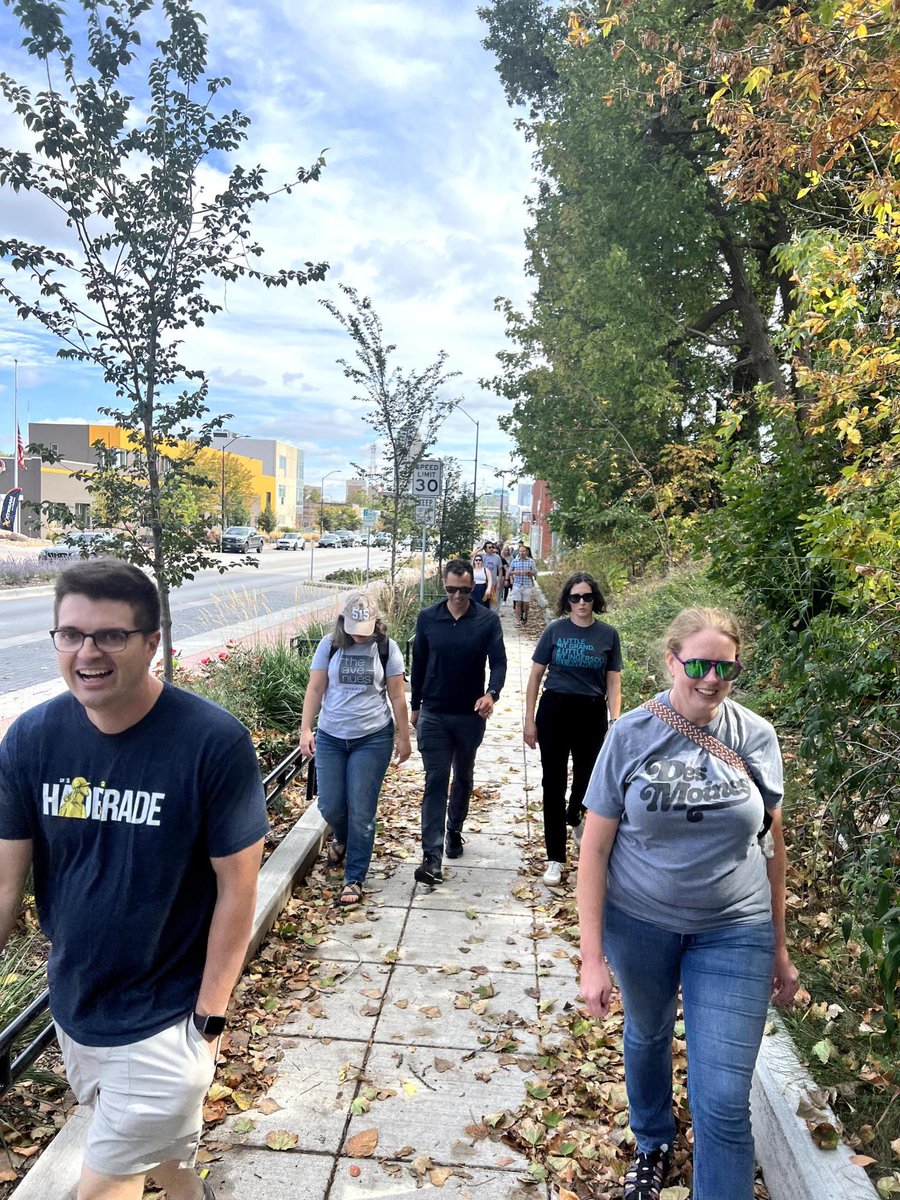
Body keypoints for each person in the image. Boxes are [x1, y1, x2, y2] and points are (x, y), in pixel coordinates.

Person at [0, 559, 269, 1200]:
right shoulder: (32, 739)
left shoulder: (211, 742)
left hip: (165, 1019)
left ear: (153, 643)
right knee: (165, 1157)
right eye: (71, 634)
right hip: (75, 1005)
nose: (86, 653)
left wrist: (208, 1020)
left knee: (103, 1185)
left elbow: (239, 887)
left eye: (110, 636)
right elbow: (6, 885)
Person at [576, 607, 799, 1200]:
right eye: (697, 664)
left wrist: (779, 947)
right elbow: (594, 851)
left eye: (726, 667)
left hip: (736, 927)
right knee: (648, 1034)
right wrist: (591, 956)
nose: (712, 678)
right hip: (640, 922)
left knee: (724, 1101)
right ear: (671, 661)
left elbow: (773, 849)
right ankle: (651, 1141)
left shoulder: (756, 736)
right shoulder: (630, 735)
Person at [300, 592, 410, 906]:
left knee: (362, 810)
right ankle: (344, 838)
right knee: (331, 806)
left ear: (376, 624)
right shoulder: (329, 645)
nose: (357, 633)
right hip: (332, 736)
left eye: (364, 627)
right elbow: (316, 687)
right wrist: (306, 728)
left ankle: (354, 877)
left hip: (372, 736)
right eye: (352, 626)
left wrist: (404, 738)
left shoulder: (387, 649)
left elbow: (398, 697)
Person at [410, 558, 507, 884]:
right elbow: (419, 663)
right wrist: (415, 707)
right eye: (451, 589)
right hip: (434, 713)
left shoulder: (486, 621)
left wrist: (491, 694)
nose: (457, 596)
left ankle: (454, 830)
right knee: (436, 781)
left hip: (469, 715)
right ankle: (432, 859)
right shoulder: (428, 619)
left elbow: (499, 663)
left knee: (462, 776)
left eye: (464, 590)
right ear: (444, 586)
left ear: (472, 587)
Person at [524, 572, 622, 885]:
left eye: (587, 597)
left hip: (591, 711)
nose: (581, 603)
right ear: (567, 600)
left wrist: (614, 719)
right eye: (575, 597)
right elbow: (535, 677)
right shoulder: (555, 630)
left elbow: (613, 680)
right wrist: (528, 719)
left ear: (596, 599)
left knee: (587, 779)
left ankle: (575, 814)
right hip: (554, 709)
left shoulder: (608, 634)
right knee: (552, 784)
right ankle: (555, 857)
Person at [508, 543, 537, 624]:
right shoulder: (515, 561)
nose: (522, 553)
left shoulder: (531, 561)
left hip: (527, 584)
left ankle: (525, 616)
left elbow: (535, 572)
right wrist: (514, 572)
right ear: (518, 552)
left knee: (526, 603)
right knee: (518, 602)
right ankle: (517, 620)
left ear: (526, 552)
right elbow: (509, 572)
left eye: (524, 551)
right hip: (517, 584)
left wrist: (530, 572)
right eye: (520, 551)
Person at [481, 541, 504, 609]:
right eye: (489, 547)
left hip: (493, 582)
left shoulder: (497, 557)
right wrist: (480, 548)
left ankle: (493, 615)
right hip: (483, 582)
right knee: (484, 600)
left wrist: (499, 582)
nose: (491, 549)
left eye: (492, 547)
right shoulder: (482, 556)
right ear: (485, 549)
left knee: (492, 601)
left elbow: (500, 570)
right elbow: (472, 555)